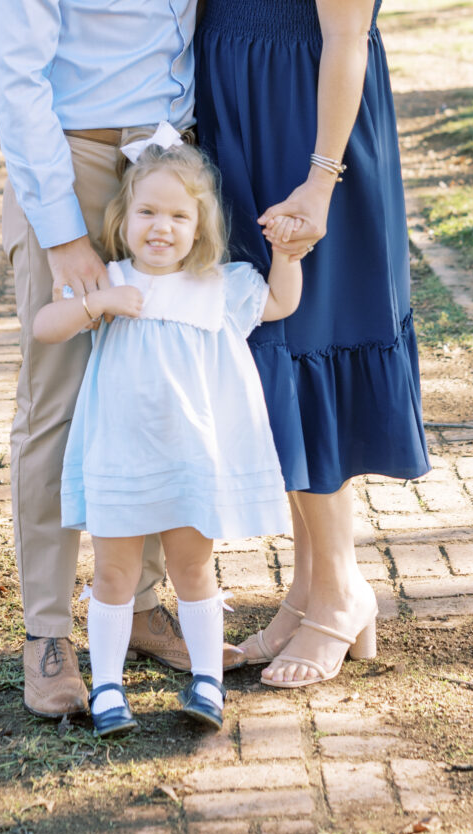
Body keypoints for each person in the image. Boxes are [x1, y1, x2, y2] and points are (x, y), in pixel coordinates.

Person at [0, 0, 238, 721]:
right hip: (79, 160)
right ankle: (49, 633)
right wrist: (63, 233)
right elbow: (16, 74)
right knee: (58, 405)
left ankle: (144, 605)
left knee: (165, 394)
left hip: (169, 168)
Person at [189, 0, 431, 688]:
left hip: (311, 135)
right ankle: (307, 586)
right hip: (233, 133)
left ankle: (340, 589)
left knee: (306, 339)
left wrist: (319, 180)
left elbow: (345, 43)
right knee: (265, 352)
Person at [32, 135, 302, 736]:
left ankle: (207, 680)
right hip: (120, 457)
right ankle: (106, 688)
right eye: (148, 212)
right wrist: (97, 303)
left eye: (180, 216)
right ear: (123, 218)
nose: (162, 227)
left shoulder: (220, 285)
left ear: (200, 226)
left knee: (194, 569)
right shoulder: (108, 278)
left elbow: (282, 302)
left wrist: (288, 252)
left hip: (191, 461)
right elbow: (45, 326)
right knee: (113, 574)